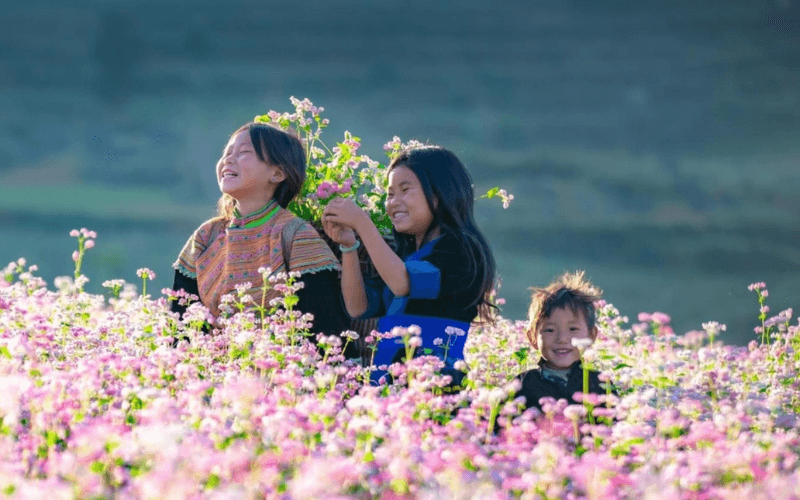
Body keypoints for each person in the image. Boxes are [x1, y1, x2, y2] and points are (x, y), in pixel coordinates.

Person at [171, 121, 354, 357]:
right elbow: (181, 325)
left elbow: (324, 330)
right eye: (226, 153)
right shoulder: (206, 236)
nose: (228, 159)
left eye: (244, 153)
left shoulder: (296, 235)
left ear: (277, 173)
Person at [321, 146, 496, 383]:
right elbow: (358, 307)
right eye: (390, 194)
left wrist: (363, 222)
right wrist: (349, 247)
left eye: (405, 190)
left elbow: (403, 283)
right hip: (388, 384)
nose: (394, 202)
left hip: (435, 384)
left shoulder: (461, 248)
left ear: (439, 194)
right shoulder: (405, 257)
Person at [515, 271, 608, 411]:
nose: (562, 339)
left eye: (573, 329)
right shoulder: (523, 383)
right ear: (532, 338)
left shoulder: (600, 384)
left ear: (592, 335)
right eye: (550, 330)